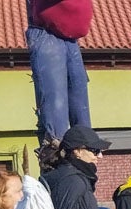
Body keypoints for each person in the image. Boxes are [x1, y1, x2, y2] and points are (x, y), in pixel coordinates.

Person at [26, 0, 92, 145]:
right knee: (56, 101)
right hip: (46, 33)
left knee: (78, 92)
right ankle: (56, 150)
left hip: (70, 38)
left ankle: (86, 145)